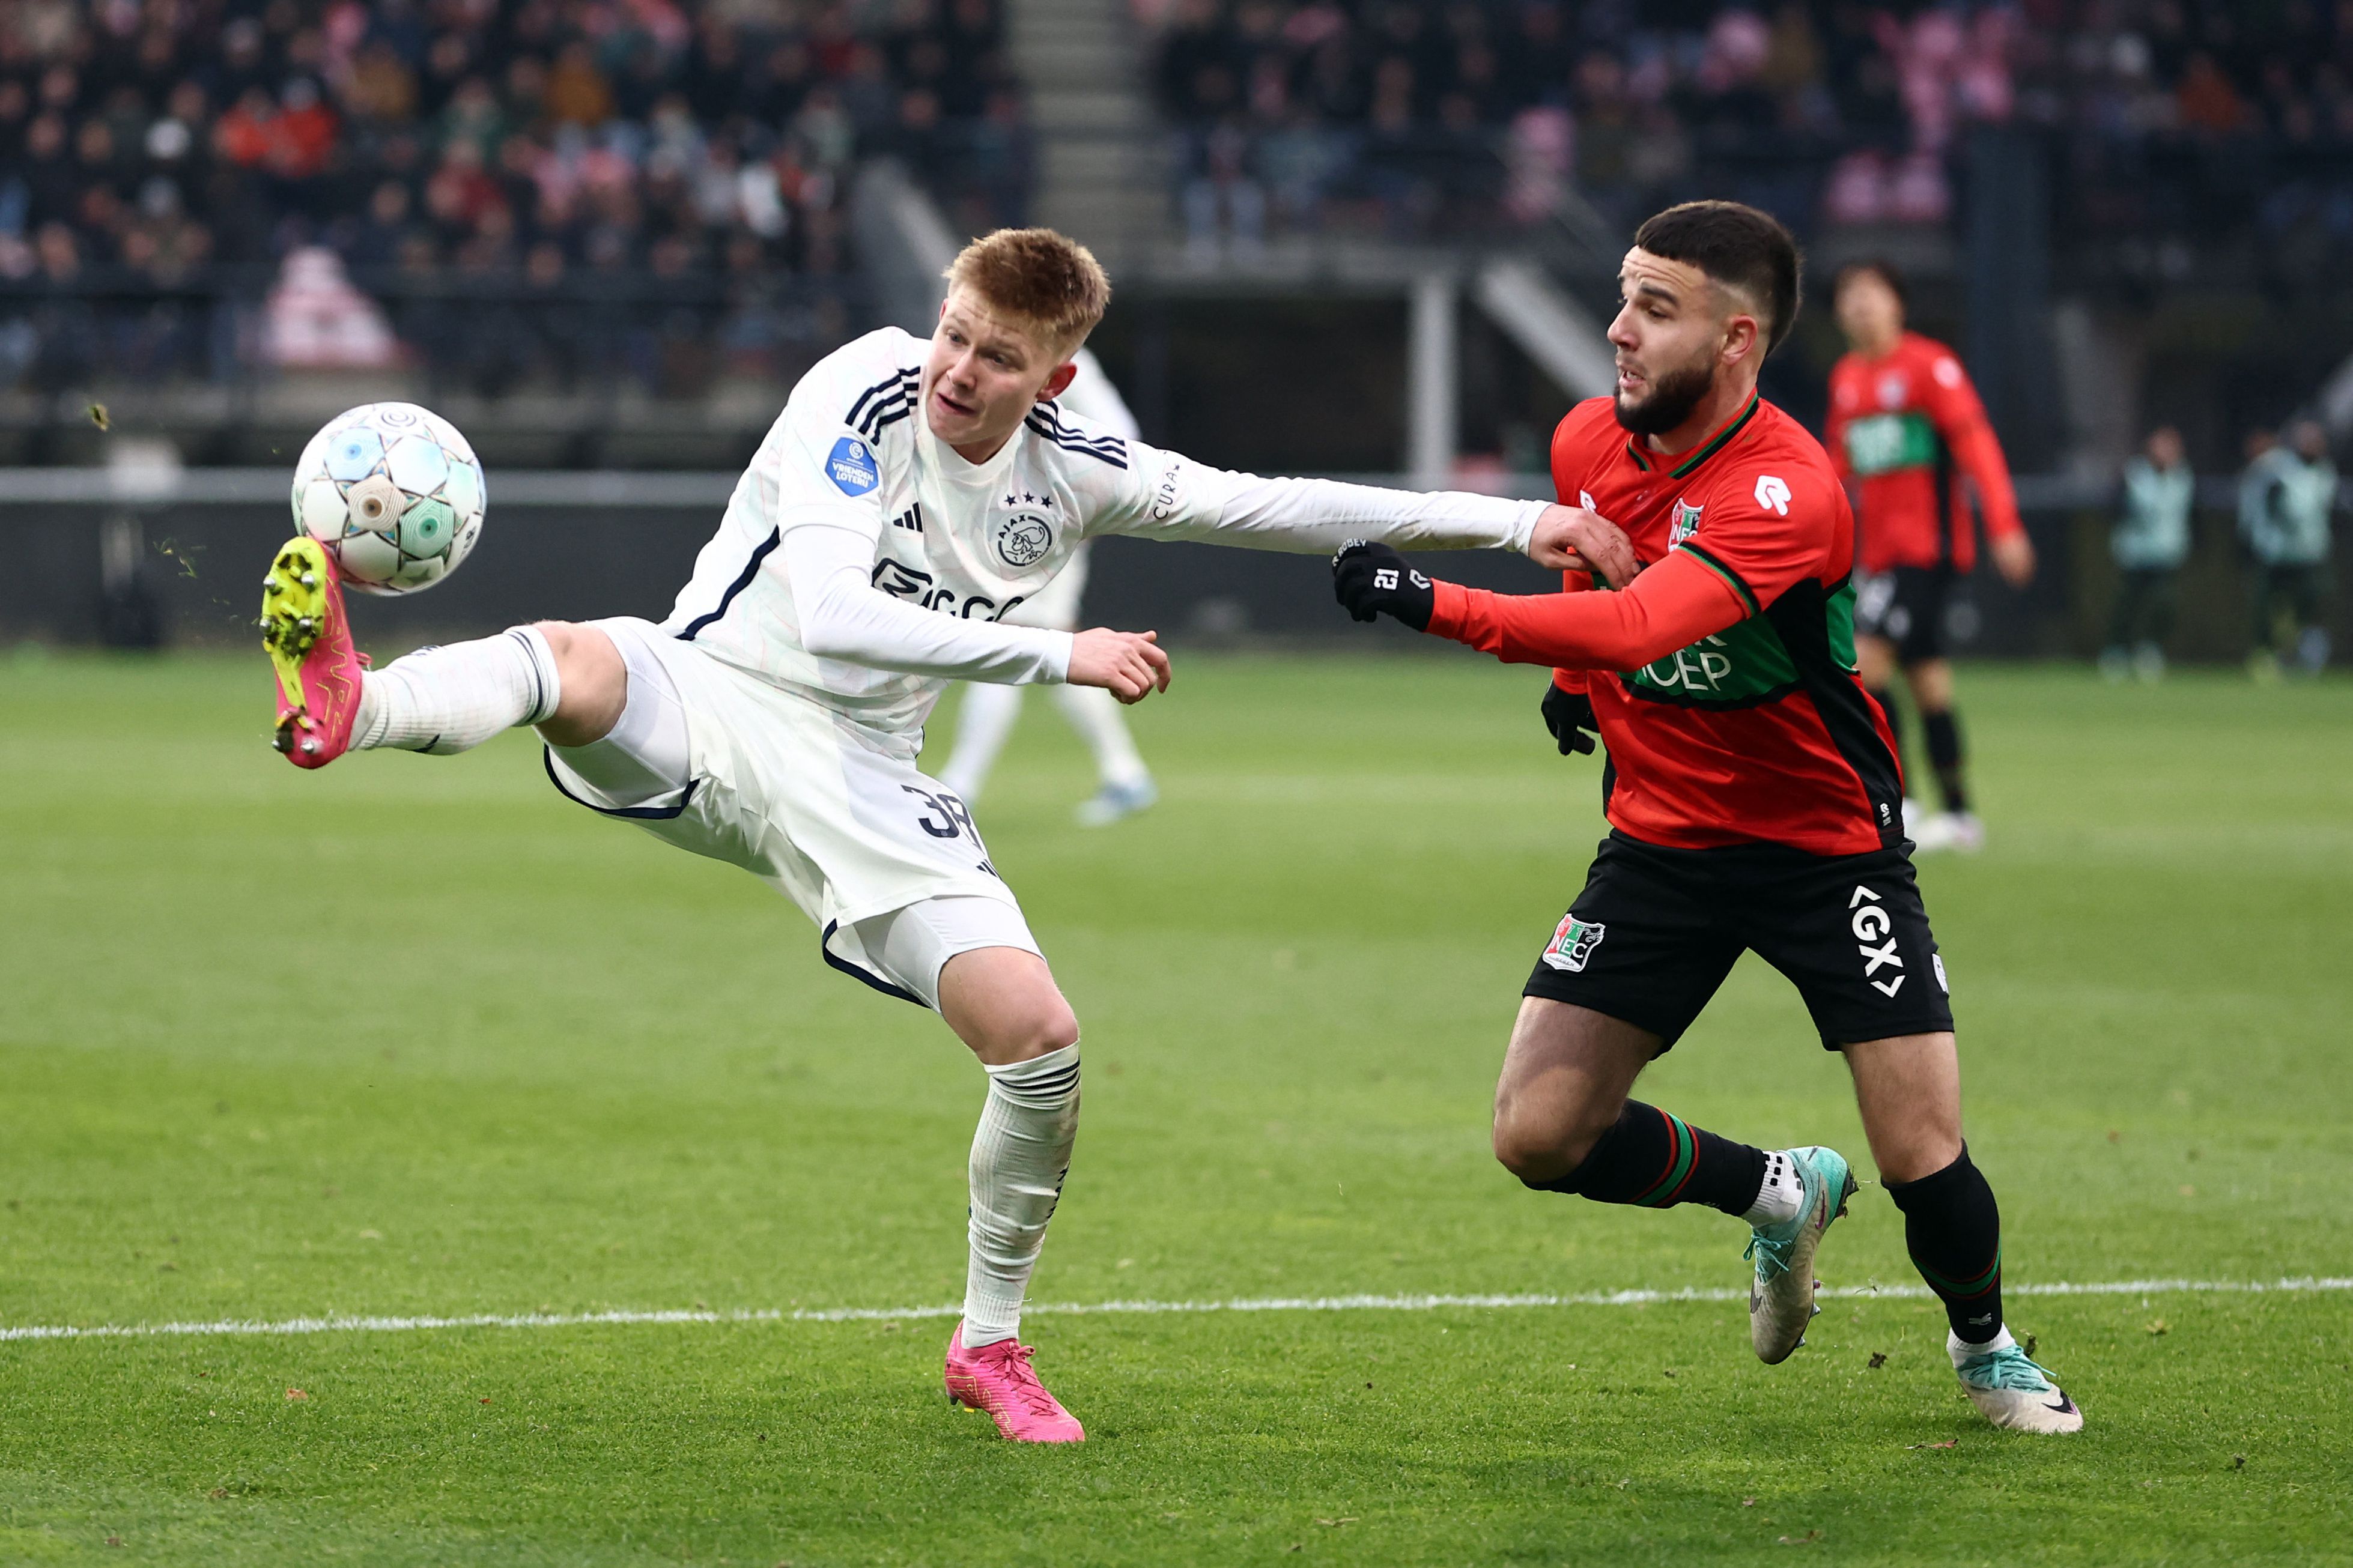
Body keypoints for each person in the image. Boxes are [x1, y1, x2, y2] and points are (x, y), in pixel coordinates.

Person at [259, 227, 1597, 1444]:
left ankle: (989, 1344)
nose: (955, 368)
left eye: (996, 356)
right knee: (567, 660)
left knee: (1040, 1039)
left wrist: (1517, 520)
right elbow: (835, 614)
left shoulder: (1069, 472)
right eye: (953, 331)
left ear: (1052, 383)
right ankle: (352, 707)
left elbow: (1267, 500)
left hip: (865, 774)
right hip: (712, 689)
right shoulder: (862, 387)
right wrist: (1054, 653)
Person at [1330, 200, 2082, 1434]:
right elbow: (1587, 564)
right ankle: (1774, 1194)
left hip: (1821, 849)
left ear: (1736, 340)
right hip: (1661, 843)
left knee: (1918, 1151)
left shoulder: (1786, 487)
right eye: (1621, 297)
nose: (1616, 330)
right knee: (1535, 1133)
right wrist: (1575, 693)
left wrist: (1429, 600)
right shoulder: (1590, 437)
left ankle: (1983, 1345)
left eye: (1652, 309)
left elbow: (1635, 623)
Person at [1823, 259, 2034, 854]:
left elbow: (1975, 444)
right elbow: (1835, 471)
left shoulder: (1928, 367)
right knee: (1928, 682)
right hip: (1878, 556)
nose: (1857, 305)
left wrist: (2005, 525)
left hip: (1925, 551)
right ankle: (1961, 815)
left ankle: (1902, 804)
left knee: (1861, 669)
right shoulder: (1845, 379)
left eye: (1869, 292)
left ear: (1897, 303)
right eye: (1847, 295)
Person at [935, 347, 1159, 825]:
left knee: (1009, 640)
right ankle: (1125, 773)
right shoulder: (1017, 349)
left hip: (1044, 521)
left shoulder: (1061, 356)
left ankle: (959, 786)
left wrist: (1076, 502)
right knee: (1050, 643)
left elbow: (1122, 437)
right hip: (1021, 517)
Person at [2237, 419, 2337, 679]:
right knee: (2266, 605)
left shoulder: (2325, 472)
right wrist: (2252, 539)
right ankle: (2266, 652)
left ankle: (2301, 657)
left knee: (2309, 605)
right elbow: (2257, 504)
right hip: (2276, 552)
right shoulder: (2277, 469)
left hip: (2311, 553)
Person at [2099, 426, 2195, 682]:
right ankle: (2116, 650)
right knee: (2128, 604)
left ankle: (2150, 649)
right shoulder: (2133, 476)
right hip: (2135, 552)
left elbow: (2191, 516)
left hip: (2167, 553)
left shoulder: (2183, 478)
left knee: (2164, 604)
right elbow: (2111, 510)